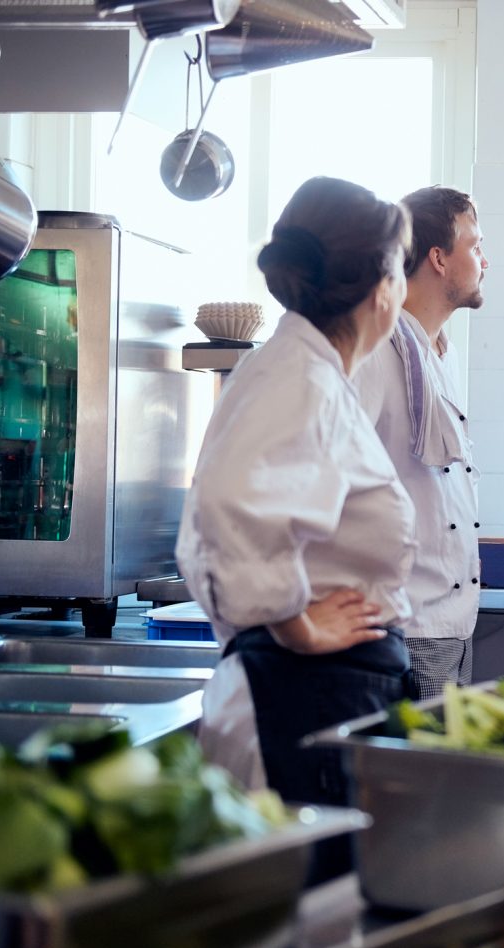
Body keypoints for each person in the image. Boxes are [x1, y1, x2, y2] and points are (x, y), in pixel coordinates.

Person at [176, 176, 415, 879]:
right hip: (300, 694)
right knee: (300, 916)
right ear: (382, 289)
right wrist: (295, 624)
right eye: (401, 267)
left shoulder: (307, 371)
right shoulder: (298, 378)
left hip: (326, 694)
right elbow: (229, 506)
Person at [353, 186, 487, 698]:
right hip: (401, 624)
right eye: (474, 246)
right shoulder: (372, 350)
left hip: (452, 622)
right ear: (438, 258)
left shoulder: (440, 354)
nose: (484, 260)